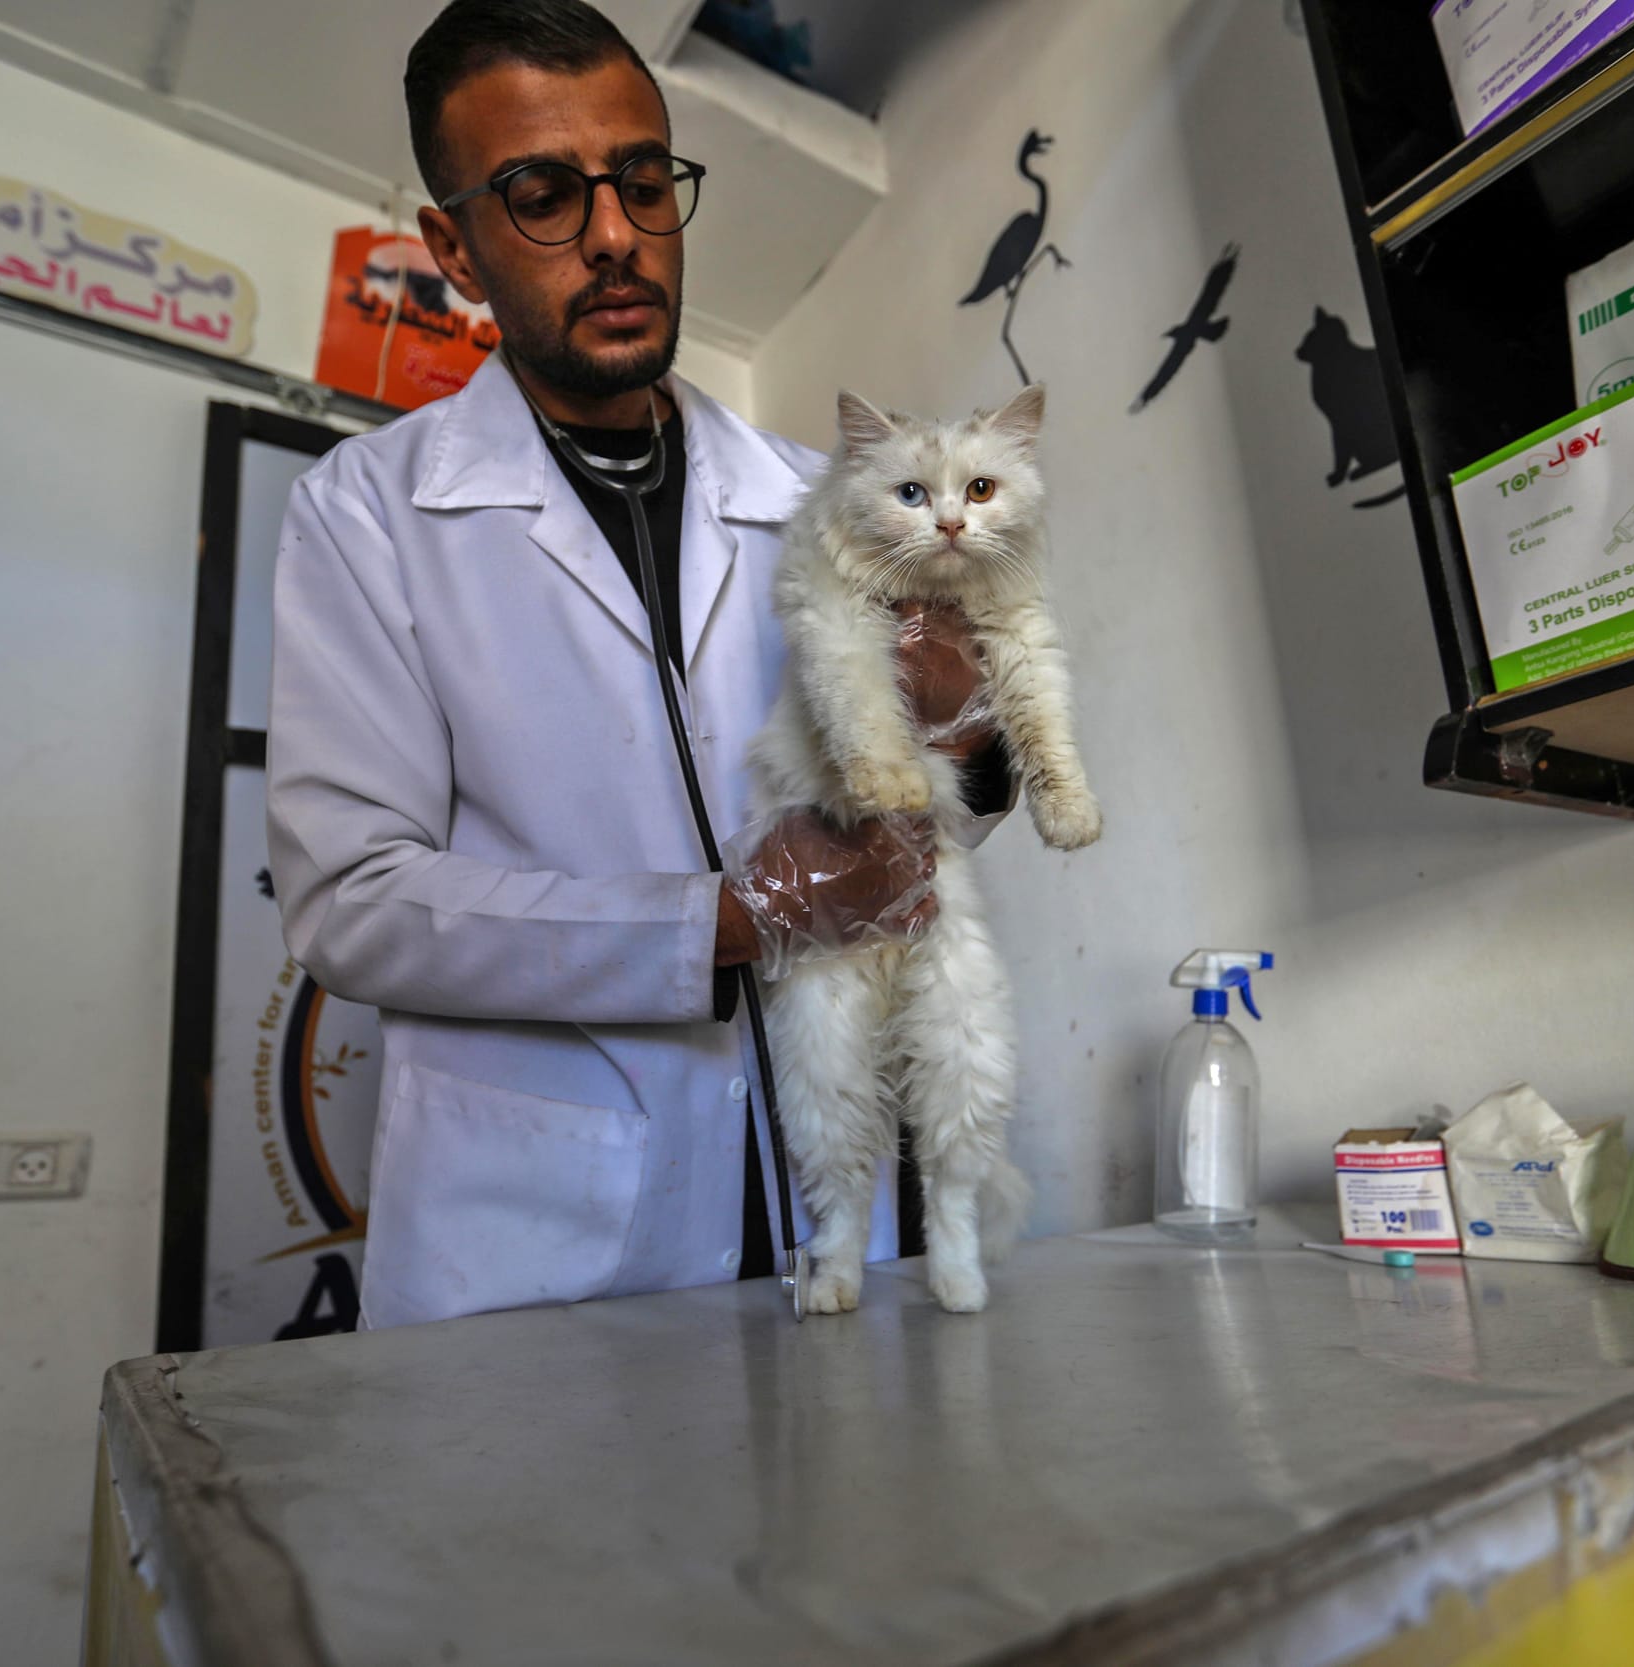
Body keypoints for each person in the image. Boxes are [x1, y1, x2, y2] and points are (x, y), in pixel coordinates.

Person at [265, 0, 1013, 1328]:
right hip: (540, 1244)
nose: (614, 236)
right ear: (453, 243)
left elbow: (932, 798)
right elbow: (354, 901)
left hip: (833, 1194)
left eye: (645, 180)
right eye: (544, 194)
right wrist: (722, 927)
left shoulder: (817, 498)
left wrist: (968, 740)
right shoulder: (369, 515)